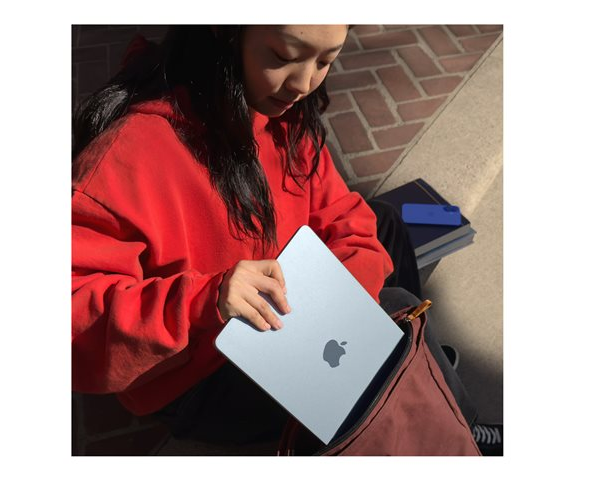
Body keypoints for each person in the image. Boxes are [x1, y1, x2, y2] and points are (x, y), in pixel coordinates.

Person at [72, 25, 502, 455]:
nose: (304, 83)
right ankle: (431, 406)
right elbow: (76, 317)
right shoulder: (128, 155)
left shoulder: (283, 113)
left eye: (326, 60)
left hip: (281, 310)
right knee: (394, 310)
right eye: (283, 56)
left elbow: (344, 215)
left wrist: (344, 312)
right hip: (199, 367)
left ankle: (413, 379)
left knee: (385, 226)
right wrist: (203, 300)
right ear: (224, 31)